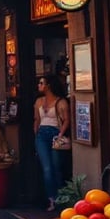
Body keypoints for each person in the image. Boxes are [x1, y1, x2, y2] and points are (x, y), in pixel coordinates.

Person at [33, 74, 70, 211]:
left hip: (55, 133)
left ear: (48, 85)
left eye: (41, 83)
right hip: (42, 135)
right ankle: (51, 199)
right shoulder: (39, 101)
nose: (39, 85)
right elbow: (37, 119)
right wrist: (35, 134)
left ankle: (61, 197)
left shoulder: (61, 102)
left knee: (56, 167)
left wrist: (61, 133)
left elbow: (66, 119)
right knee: (47, 168)